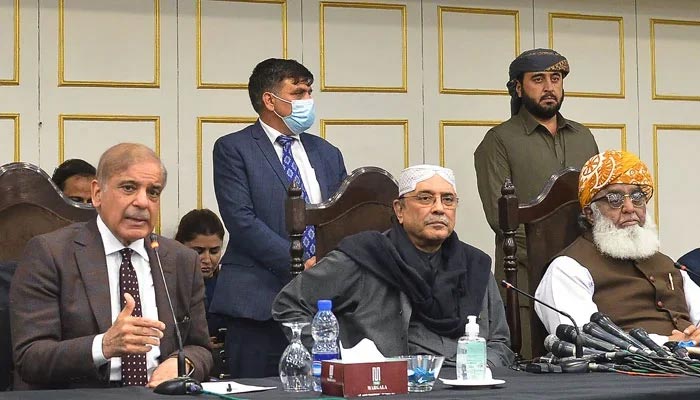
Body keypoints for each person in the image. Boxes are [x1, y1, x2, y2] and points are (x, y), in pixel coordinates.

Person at [10, 143, 212, 389]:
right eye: (128, 188)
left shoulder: (181, 260)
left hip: (158, 393)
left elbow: (201, 347)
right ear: (97, 194)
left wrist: (184, 363)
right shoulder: (50, 253)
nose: (142, 202)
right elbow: (29, 357)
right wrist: (103, 346)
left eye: (153, 192)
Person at [273, 165, 514, 368]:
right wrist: (335, 359)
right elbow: (289, 304)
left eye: (448, 200)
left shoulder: (475, 266)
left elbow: (500, 343)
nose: (439, 208)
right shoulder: (366, 258)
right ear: (399, 210)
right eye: (425, 198)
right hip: (390, 386)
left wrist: (478, 370)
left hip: (466, 386)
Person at [211, 58, 347, 378]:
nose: (307, 101)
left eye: (309, 92)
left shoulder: (328, 152)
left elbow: (341, 215)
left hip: (321, 304)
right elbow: (241, 219)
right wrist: (299, 262)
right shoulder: (234, 148)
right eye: (298, 93)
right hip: (258, 303)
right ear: (270, 100)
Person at [474, 48, 598, 355]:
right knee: (531, 364)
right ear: (518, 87)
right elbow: (501, 219)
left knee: (587, 361)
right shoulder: (499, 141)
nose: (549, 87)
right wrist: (553, 254)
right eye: (538, 79)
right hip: (525, 276)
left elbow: (598, 203)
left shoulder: (584, 136)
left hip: (581, 271)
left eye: (555, 79)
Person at [535, 150, 700, 344]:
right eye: (615, 199)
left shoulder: (666, 263)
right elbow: (584, 340)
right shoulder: (567, 269)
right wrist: (667, 343)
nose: (630, 208)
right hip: (627, 371)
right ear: (590, 214)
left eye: (637, 197)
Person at [174, 209, 226, 339]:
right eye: (198, 251)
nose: (207, 260)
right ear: (179, 245)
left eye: (214, 251)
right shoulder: (166, 285)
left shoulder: (227, 285)